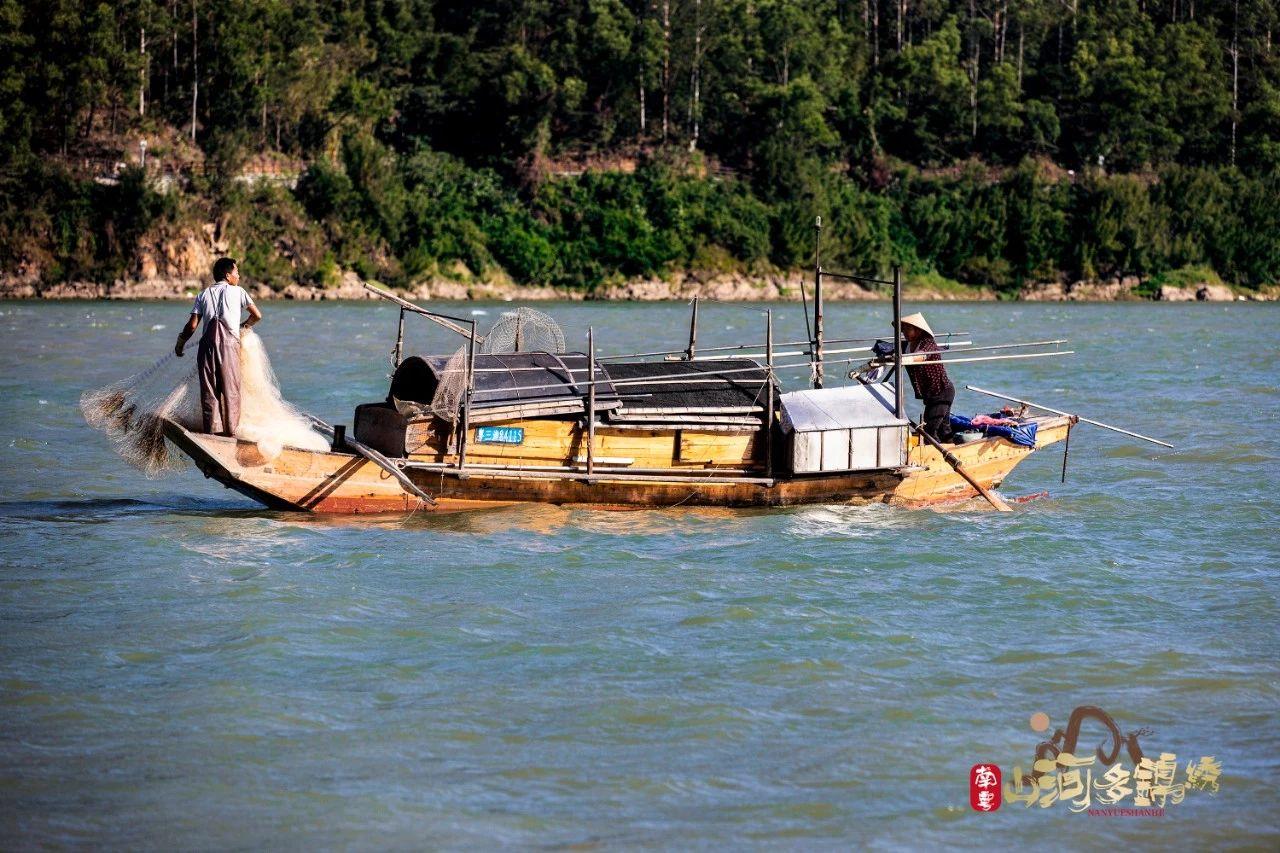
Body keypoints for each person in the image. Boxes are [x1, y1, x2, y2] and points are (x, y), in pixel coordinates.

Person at [175, 257, 262, 435]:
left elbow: (192, 326)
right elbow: (257, 315)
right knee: (231, 391)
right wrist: (243, 326)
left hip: (206, 347)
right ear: (228, 275)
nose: (238, 275)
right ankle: (231, 433)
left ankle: (212, 435)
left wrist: (180, 343)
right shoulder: (239, 292)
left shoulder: (203, 294)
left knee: (209, 393)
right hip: (230, 346)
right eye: (236, 272)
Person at [898, 312, 955, 442]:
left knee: (929, 430)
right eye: (903, 330)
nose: (904, 333)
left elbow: (921, 355)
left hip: (942, 392)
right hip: (930, 395)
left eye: (908, 329)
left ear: (918, 330)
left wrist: (905, 359)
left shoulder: (927, 343)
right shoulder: (907, 345)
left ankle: (936, 456)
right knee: (943, 429)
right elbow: (890, 348)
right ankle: (952, 448)